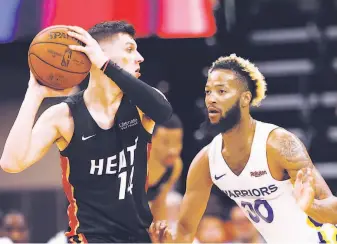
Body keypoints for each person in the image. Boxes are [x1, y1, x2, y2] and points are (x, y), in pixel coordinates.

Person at [0, 20, 172, 243]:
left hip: (138, 237)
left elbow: (164, 112)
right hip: (89, 237)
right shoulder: (64, 116)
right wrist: (34, 95)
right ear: (95, 54)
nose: (140, 57)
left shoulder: (141, 106)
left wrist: (105, 65)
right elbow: (11, 163)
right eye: (130, 49)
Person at [150, 54, 337, 243]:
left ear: (245, 98)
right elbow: (185, 230)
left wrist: (309, 207)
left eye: (221, 91)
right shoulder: (207, 160)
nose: (211, 99)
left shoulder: (277, 144)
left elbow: (334, 212)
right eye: (208, 92)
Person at [147, 114, 183, 221]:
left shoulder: (174, 167)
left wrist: (159, 233)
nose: (173, 150)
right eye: (165, 142)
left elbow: (159, 205)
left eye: (177, 142)